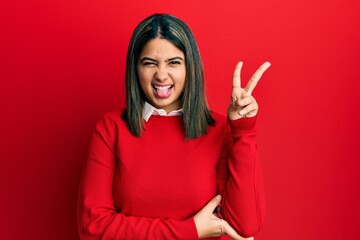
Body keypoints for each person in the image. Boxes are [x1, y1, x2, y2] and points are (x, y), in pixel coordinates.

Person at [78, 13, 270, 240]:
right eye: (149, 63)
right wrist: (191, 230)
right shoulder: (111, 129)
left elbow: (245, 226)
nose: (161, 75)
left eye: (174, 63)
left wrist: (243, 130)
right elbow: (93, 228)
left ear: (190, 68)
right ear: (135, 69)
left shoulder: (219, 130)